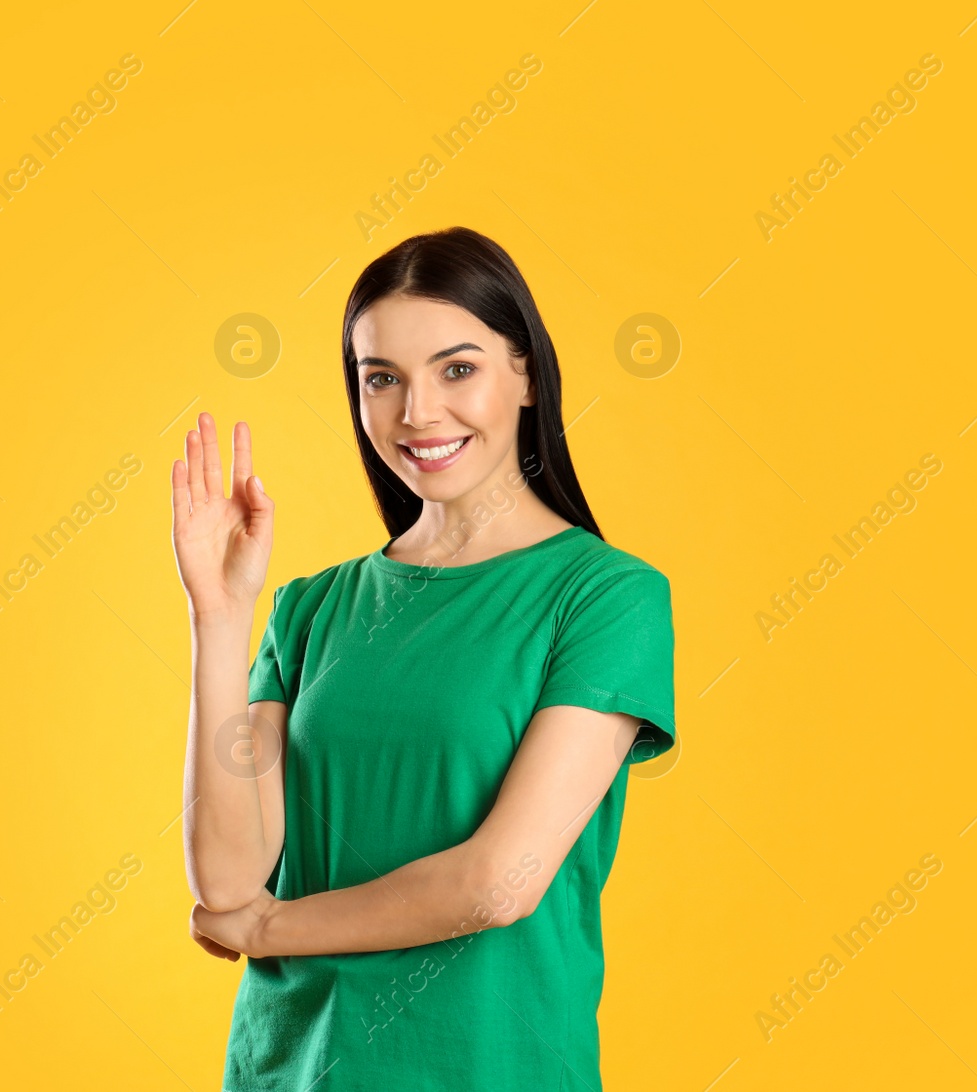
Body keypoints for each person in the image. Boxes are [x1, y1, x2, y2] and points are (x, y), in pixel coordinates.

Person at [172, 226, 676, 1090]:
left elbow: (498, 883)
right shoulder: (311, 609)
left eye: (457, 368)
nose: (417, 413)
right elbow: (226, 878)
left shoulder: (604, 597)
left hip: (491, 1068)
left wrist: (268, 930)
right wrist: (220, 617)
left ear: (524, 373)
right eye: (382, 379)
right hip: (291, 1070)